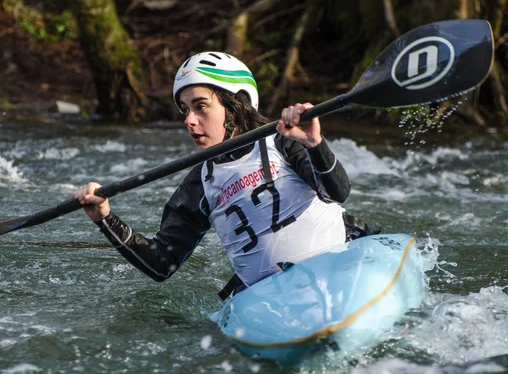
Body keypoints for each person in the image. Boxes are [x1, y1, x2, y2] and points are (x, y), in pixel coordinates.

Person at [74, 51, 354, 299]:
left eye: (200, 106)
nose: (189, 120)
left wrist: (315, 145)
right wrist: (105, 218)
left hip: (338, 261)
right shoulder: (200, 183)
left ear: (237, 105)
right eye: (185, 110)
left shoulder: (284, 142)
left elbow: (336, 193)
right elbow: (161, 264)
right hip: (269, 298)